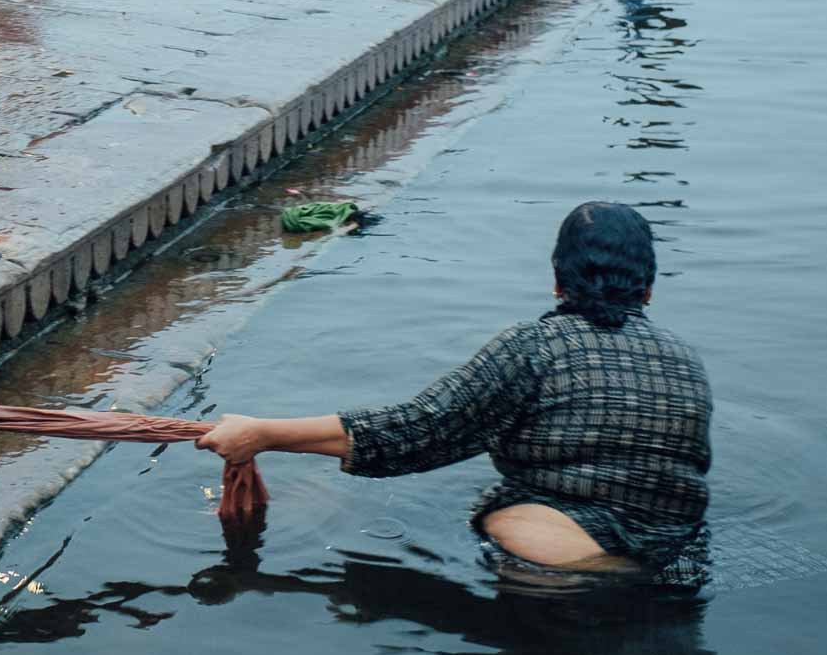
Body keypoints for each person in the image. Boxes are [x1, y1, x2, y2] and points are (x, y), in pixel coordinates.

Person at [196, 202, 713, 573]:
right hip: (677, 549)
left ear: (558, 280)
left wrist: (262, 433)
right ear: (648, 288)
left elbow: (420, 431)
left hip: (561, 559)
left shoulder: (534, 346)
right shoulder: (687, 362)